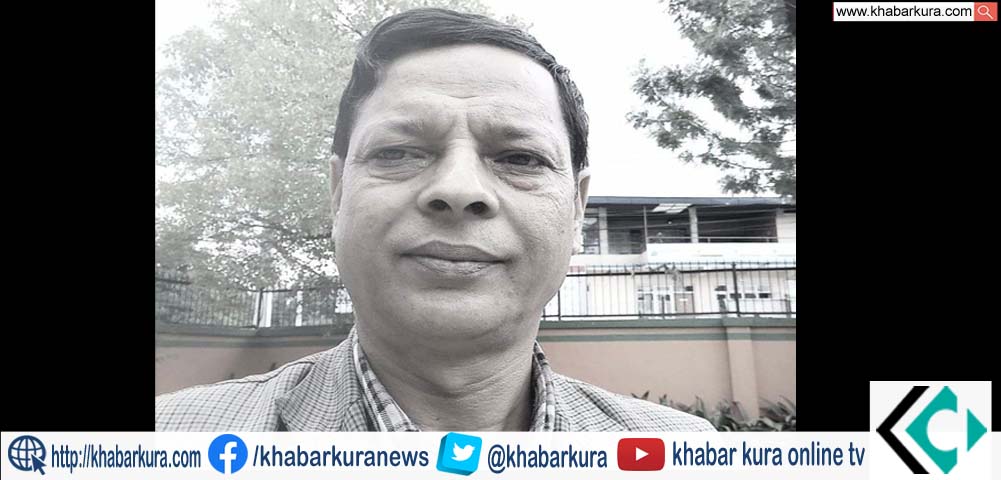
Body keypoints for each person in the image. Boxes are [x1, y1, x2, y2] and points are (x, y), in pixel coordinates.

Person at [156, 7, 714, 432]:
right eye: (398, 152)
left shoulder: (683, 451)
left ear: (576, 210)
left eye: (519, 158)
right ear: (337, 192)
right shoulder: (166, 440)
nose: (459, 189)